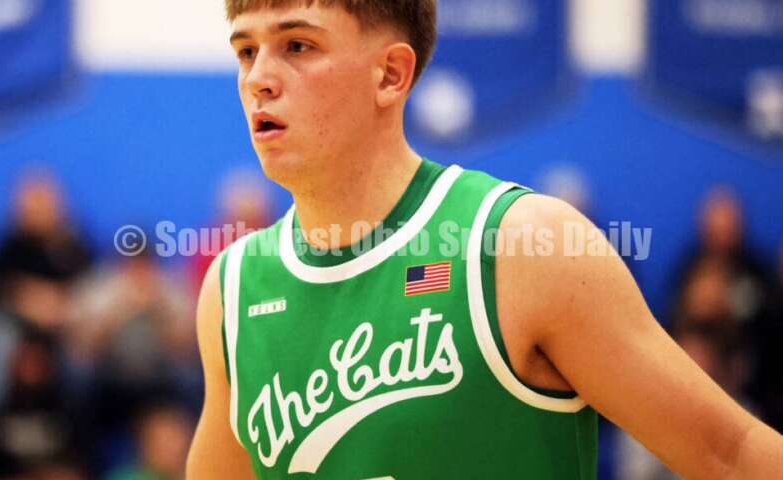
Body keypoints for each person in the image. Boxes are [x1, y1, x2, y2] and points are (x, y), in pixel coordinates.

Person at [187, 1, 783, 478]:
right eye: (245, 50)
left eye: (298, 45)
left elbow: (731, 454)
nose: (259, 78)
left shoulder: (525, 246)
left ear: (391, 74)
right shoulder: (232, 290)